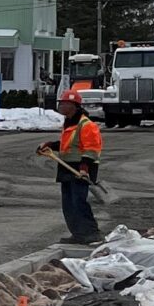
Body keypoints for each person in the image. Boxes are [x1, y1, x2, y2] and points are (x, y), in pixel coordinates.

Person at [40, 91, 103, 245]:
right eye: (60, 103)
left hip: (81, 168)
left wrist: (84, 169)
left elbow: (91, 149)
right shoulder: (69, 123)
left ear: (74, 106)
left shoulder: (86, 125)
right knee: (68, 205)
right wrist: (51, 145)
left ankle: (91, 233)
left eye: (64, 103)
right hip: (67, 167)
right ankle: (78, 234)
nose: (61, 106)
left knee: (78, 202)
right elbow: (69, 145)